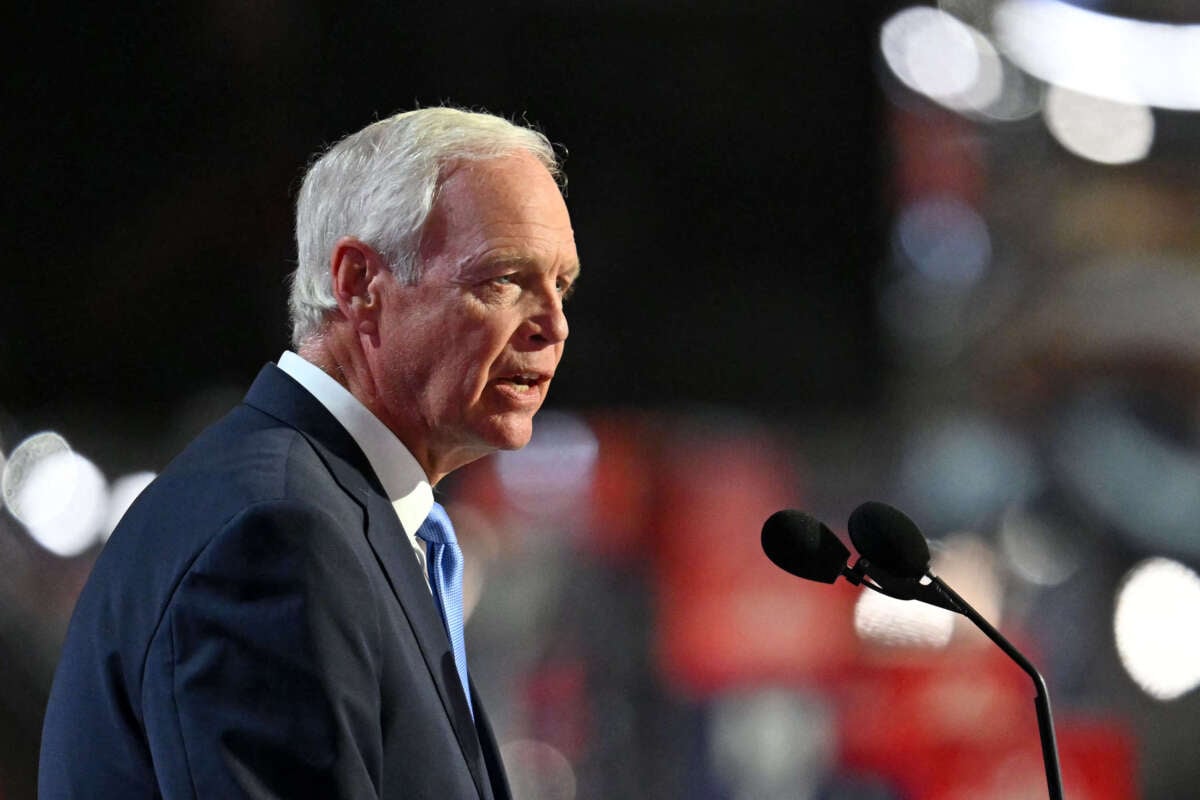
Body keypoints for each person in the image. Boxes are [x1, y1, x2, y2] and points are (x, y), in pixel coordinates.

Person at [38, 107, 579, 799]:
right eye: (504, 279)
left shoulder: (327, 512)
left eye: (561, 284)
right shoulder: (278, 536)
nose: (554, 326)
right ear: (358, 284)